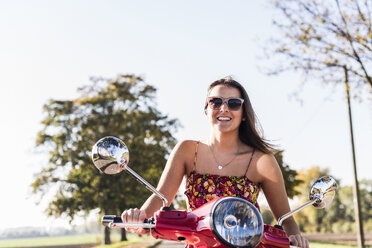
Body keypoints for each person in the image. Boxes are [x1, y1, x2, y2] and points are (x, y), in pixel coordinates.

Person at [121, 77, 309, 248]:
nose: (224, 108)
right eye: (215, 102)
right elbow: (161, 197)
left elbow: (286, 219)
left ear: (244, 114)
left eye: (234, 103)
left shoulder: (262, 160)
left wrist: (296, 238)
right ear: (207, 109)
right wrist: (140, 218)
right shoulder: (187, 150)